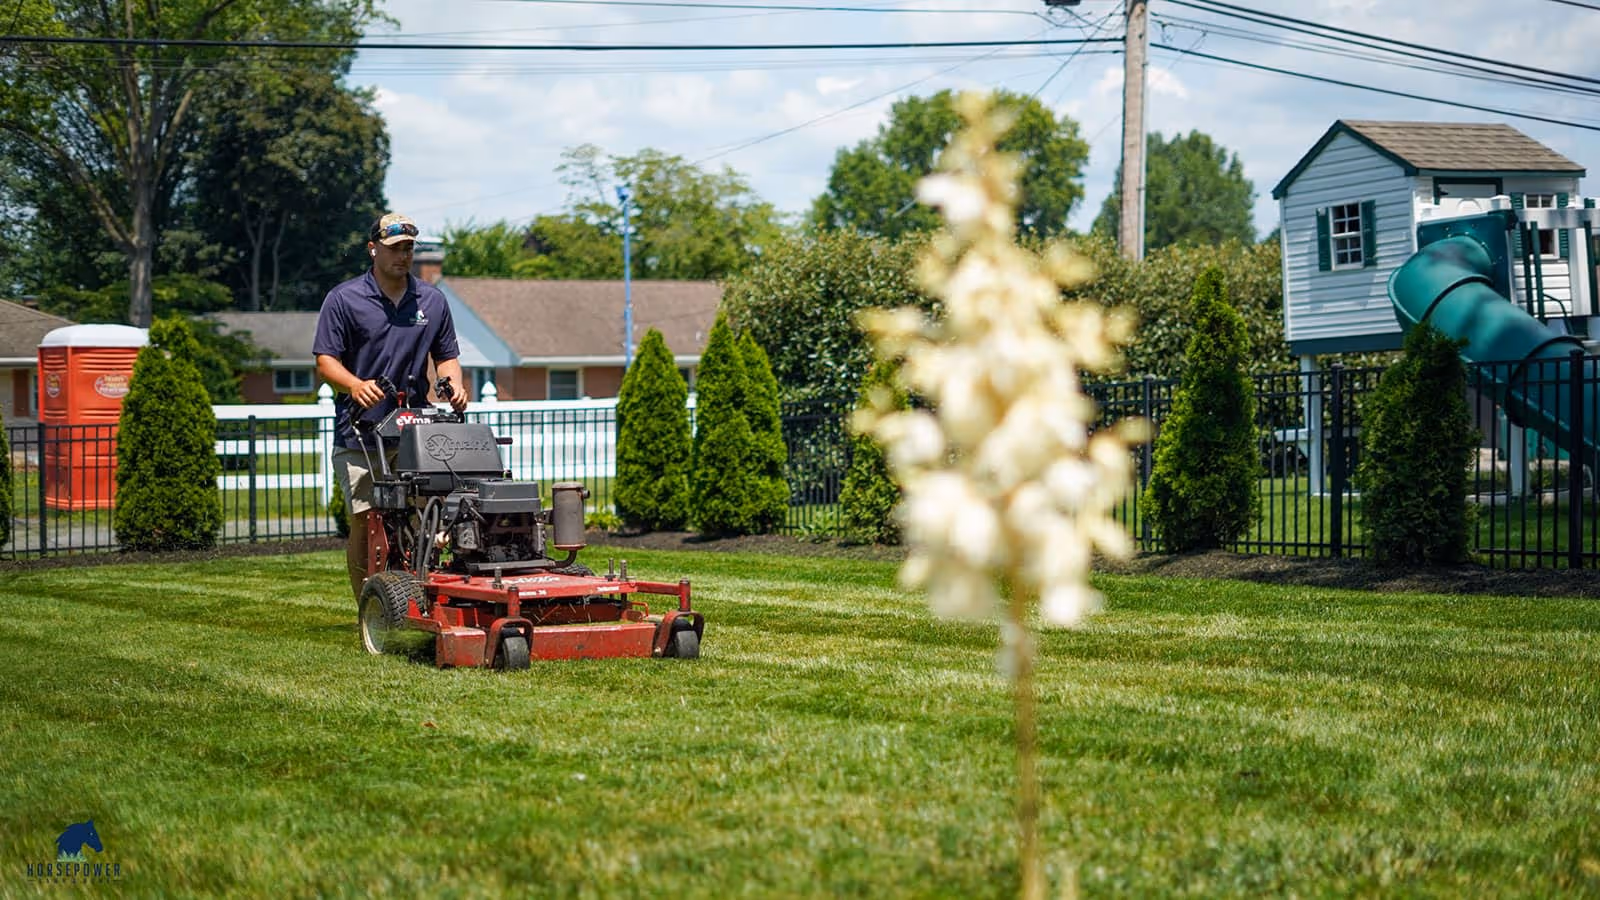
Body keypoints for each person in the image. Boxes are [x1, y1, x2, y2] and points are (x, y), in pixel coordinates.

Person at [313, 213, 470, 602]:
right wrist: (354, 385)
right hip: (361, 432)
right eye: (395, 248)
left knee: (422, 519)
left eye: (408, 248)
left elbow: (446, 356)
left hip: (416, 431)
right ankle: (369, 604)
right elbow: (325, 360)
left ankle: (415, 598)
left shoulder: (431, 301)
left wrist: (456, 385)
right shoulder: (344, 299)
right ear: (373, 249)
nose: (403, 255)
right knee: (368, 522)